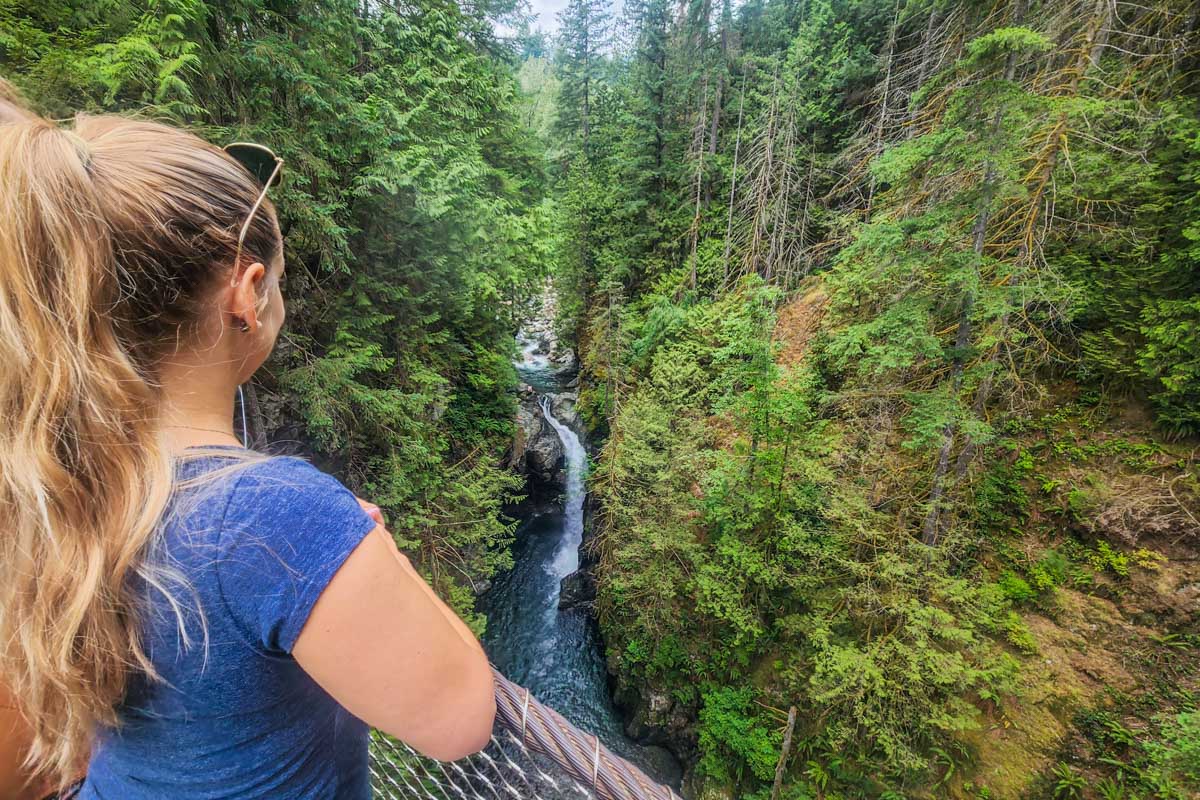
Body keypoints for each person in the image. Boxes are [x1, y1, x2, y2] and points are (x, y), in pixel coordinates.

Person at [0, 82, 496, 799]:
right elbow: (460, 720)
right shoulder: (272, 517)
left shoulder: (54, 476)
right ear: (248, 291)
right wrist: (373, 544)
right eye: (282, 284)